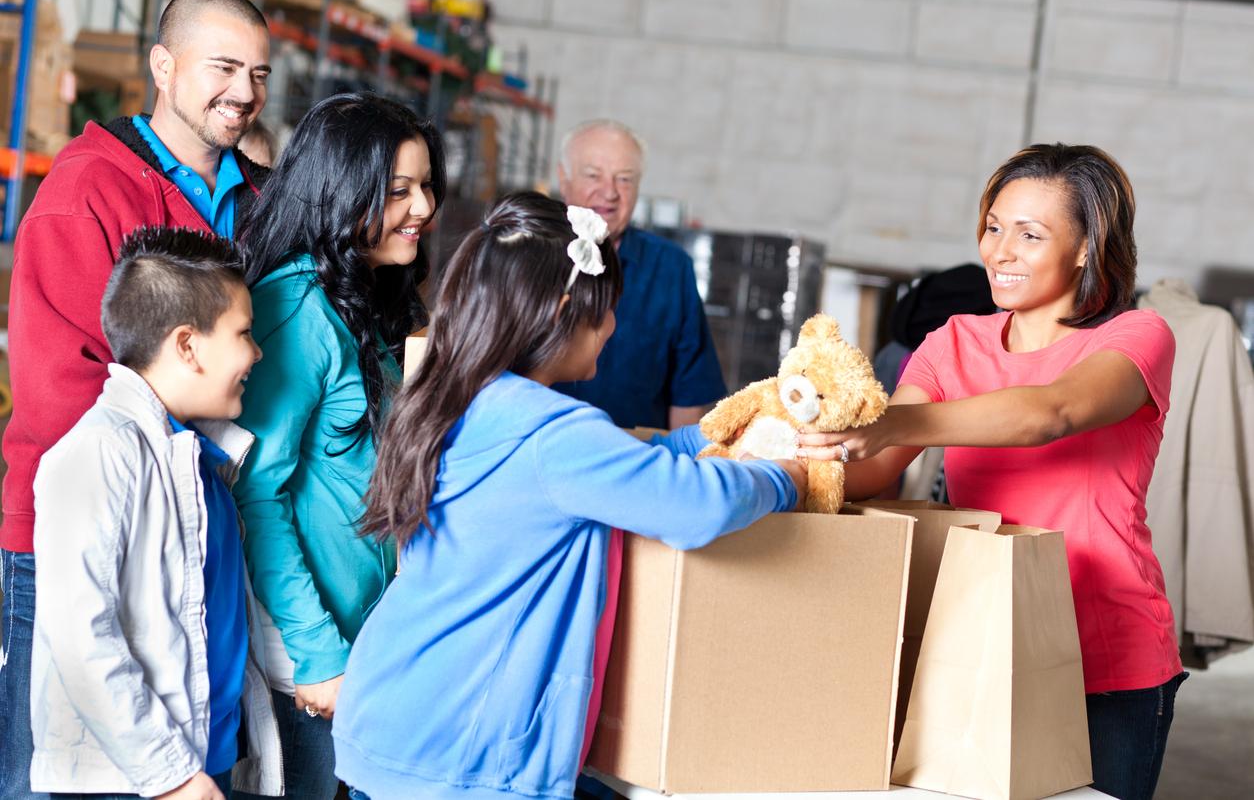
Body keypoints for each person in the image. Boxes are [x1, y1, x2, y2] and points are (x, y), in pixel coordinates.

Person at [330, 192, 808, 800]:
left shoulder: (454, 397)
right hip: (465, 749)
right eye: (606, 311)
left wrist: (708, 436)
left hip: (397, 715)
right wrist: (783, 478)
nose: (612, 327)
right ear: (560, 312)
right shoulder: (555, 434)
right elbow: (697, 506)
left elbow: (622, 470)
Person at [799, 143, 1184, 800]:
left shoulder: (1136, 336)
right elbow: (875, 471)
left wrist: (895, 422)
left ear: (1088, 247)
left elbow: (1051, 412)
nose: (1000, 250)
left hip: (1107, 659)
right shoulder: (953, 342)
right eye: (995, 226)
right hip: (982, 640)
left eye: (1030, 235)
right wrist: (807, 451)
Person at [0, 0, 270, 799]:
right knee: (59, 772)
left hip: (200, 531)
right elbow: (66, 396)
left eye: (258, 73)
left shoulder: (256, 199)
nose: (244, 92)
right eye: (222, 67)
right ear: (163, 65)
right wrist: (214, 451)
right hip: (82, 532)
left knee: (184, 757)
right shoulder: (89, 191)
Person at [230, 92, 445, 799]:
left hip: (361, 642)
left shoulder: (364, 304)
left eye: (425, 186)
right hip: (309, 652)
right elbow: (257, 494)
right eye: (399, 191)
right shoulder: (293, 310)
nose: (424, 208)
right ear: (341, 190)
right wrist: (317, 655)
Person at [29, 227, 280, 800]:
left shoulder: (201, 460)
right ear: (188, 345)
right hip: (134, 780)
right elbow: (80, 633)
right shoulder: (99, 453)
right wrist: (170, 776)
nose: (258, 352)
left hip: (199, 769)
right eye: (244, 333)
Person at [553, 119, 725, 430]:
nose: (610, 192)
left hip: (639, 460)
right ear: (563, 178)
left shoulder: (671, 269)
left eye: (625, 179)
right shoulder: (526, 257)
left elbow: (688, 396)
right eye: (593, 175)